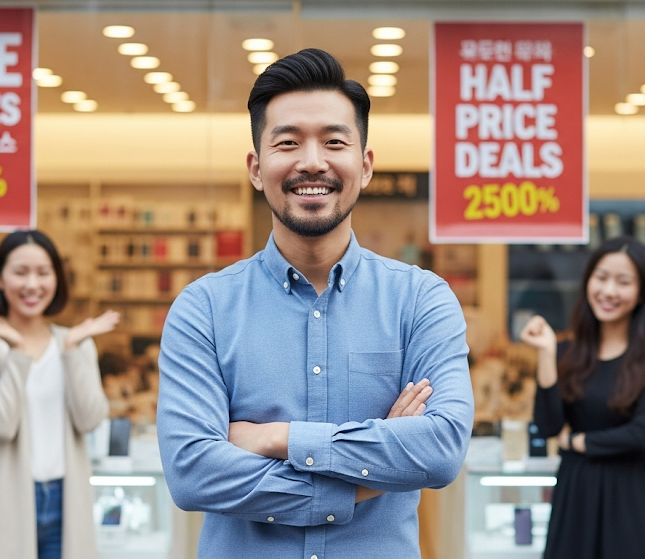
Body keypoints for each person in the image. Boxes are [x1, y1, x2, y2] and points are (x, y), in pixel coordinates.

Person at [156, 48, 474, 558]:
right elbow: (193, 473)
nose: (312, 162)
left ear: (364, 166)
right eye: (288, 143)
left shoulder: (421, 300)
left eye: (333, 142)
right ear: (257, 169)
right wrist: (367, 474)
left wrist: (275, 438)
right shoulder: (203, 309)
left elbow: (440, 451)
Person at [0, 230, 117, 559]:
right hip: (5, 499)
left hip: (65, 498)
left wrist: (72, 350)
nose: (32, 284)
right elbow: (0, 425)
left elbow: (91, 420)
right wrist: (17, 351)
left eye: (43, 273)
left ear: (56, 278)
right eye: (20, 272)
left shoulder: (75, 343)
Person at [520, 236, 645, 559]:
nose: (608, 291)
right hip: (576, 490)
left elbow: (640, 434)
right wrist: (547, 354)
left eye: (623, 281)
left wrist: (577, 441)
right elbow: (547, 426)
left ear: (642, 291)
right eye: (601, 277)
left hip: (630, 492)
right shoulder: (566, 352)